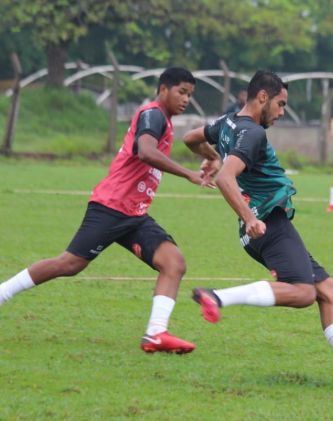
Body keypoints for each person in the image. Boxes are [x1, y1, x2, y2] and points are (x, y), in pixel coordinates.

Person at [0, 67, 220, 354]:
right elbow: (146, 151)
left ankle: (155, 334)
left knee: (173, 263)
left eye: (190, 95)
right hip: (111, 206)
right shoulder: (152, 114)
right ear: (163, 89)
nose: (186, 99)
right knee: (69, 264)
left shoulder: (163, 121)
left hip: (134, 214)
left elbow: (191, 142)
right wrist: (189, 174)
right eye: (181, 92)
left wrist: (213, 157)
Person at [183, 70, 333, 390]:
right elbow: (227, 179)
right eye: (280, 104)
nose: (282, 112)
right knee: (304, 292)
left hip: (260, 226)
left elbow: (190, 139)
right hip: (267, 223)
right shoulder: (252, 133)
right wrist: (249, 216)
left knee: (327, 291)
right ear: (263, 97)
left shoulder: (226, 122)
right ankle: (217, 297)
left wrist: (211, 158)